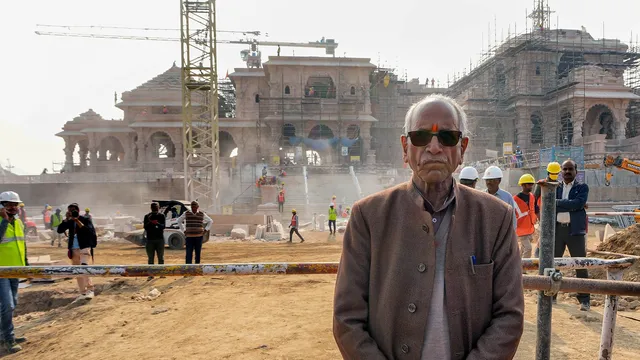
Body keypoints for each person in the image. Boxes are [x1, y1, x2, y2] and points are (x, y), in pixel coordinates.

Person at [333, 94, 524, 359]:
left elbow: (509, 316)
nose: (434, 147)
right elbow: (347, 319)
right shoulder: (368, 217)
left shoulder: (495, 218)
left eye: (447, 137)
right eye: (421, 137)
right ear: (405, 147)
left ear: (462, 148)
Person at [555, 159, 591, 311]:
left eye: (570, 169)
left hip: (575, 231)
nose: (567, 172)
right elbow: (548, 204)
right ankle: (550, 295)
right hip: (557, 231)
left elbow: (578, 203)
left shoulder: (582, 187)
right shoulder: (555, 187)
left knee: (580, 265)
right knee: (553, 264)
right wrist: (571, 204)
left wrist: (557, 202)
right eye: (565, 169)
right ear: (561, 172)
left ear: (576, 171)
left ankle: (584, 300)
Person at [0, 191, 29, 353]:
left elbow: (22, 245)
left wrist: (27, 266)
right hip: (1, 271)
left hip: (15, 269)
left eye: (15, 205)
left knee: (13, 304)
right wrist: (4, 221)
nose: (12, 207)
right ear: (1, 206)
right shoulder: (1, 221)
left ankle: (3, 334)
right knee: (7, 305)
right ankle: (8, 339)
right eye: (8, 204)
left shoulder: (18, 222)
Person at [57, 203, 97, 300]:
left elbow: (88, 231)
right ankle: (83, 292)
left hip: (84, 247)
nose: (72, 212)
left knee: (84, 267)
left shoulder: (85, 219)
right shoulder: (69, 221)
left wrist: (77, 220)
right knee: (78, 271)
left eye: (74, 210)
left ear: (78, 210)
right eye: (70, 210)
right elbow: (59, 230)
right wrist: (66, 219)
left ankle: (90, 290)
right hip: (74, 249)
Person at [513, 174, 538, 259]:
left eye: (532, 184)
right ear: (523, 185)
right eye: (529, 184)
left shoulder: (531, 196)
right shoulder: (515, 199)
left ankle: (517, 264)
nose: (531, 186)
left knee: (523, 249)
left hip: (530, 227)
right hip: (521, 229)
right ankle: (523, 267)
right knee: (528, 248)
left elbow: (534, 209)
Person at [143, 202, 166, 279]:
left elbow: (163, 226)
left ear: (158, 208)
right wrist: (150, 222)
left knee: (161, 258)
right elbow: (145, 227)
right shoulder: (147, 216)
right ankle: (151, 275)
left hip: (159, 239)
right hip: (150, 240)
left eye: (156, 207)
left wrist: (157, 223)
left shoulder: (161, 216)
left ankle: (161, 273)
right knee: (150, 258)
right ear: (151, 208)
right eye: (154, 207)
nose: (155, 209)